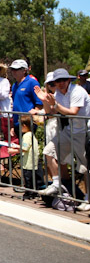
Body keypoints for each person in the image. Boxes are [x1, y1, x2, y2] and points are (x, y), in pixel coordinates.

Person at [35, 69, 90, 211]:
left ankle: (87, 198)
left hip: (83, 132)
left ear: (68, 80)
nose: (59, 84)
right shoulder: (58, 93)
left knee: (85, 167)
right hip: (69, 131)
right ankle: (56, 182)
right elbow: (51, 114)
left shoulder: (77, 91)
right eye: (56, 82)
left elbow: (73, 112)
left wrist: (55, 104)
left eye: (62, 80)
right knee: (48, 151)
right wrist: (44, 100)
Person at [9, 59, 42, 137]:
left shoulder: (32, 82)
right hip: (17, 122)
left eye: (16, 69)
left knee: (27, 147)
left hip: (28, 123)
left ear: (24, 70)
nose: (14, 72)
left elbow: (39, 103)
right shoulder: (14, 85)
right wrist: (12, 126)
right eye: (12, 69)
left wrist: (33, 118)